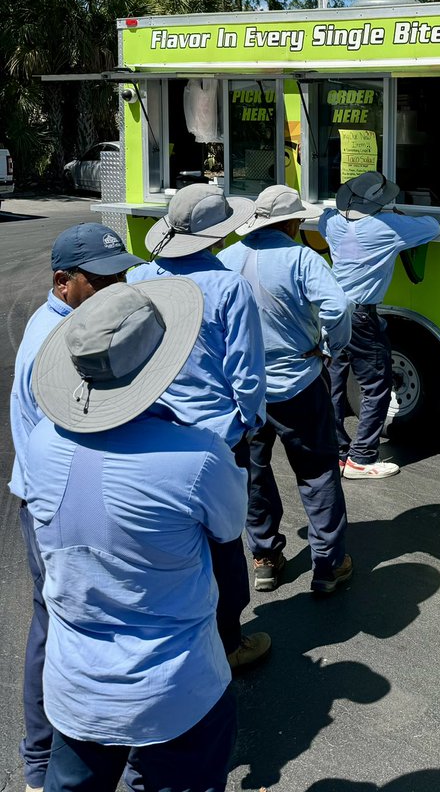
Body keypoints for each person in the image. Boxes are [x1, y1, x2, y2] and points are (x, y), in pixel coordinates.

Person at [24, 280, 247, 791]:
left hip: (74, 683)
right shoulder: (197, 458)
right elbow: (230, 527)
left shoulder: (39, 441)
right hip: (176, 688)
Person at [9, 223, 144, 792]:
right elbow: (68, 449)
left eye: (123, 274)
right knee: (63, 626)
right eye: (104, 279)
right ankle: (45, 762)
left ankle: (50, 756)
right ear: (64, 282)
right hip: (59, 503)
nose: (119, 288)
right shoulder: (59, 345)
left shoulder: (79, 325)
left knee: (63, 623)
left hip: (57, 494)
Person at [129, 183, 269, 672]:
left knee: (170, 540)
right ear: (217, 236)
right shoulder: (229, 286)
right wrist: (251, 422)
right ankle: (228, 640)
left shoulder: (140, 277)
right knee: (224, 540)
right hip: (216, 435)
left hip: (151, 427)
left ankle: (180, 633)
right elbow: (247, 372)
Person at [219, 185, 354, 595]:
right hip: (299, 382)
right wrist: (332, 347)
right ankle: (328, 566)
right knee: (316, 472)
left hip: (244, 390)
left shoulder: (226, 259)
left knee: (253, 474)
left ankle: (263, 557)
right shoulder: (301, 258)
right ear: (292, 223)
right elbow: (338, 307)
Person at [320, 171, 440, 479]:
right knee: (376, 385)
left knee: (334, 384)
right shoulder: (387, 226)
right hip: (361, 315)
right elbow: (433, 226)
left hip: (332, 311)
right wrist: (395, 214)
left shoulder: (334, 223)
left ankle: (337, 453)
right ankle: (361, 458)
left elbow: (323, 218)